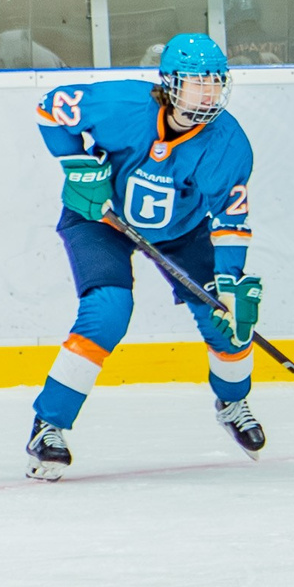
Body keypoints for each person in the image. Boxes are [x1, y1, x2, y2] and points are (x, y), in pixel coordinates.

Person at [25, 34, 264, 479]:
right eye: (197, 83)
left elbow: (230, 222)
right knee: (107, 311)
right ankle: (49, 426)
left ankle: (233, 402)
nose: (209, 93)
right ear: (171, 84)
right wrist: (76, 163)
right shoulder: (121, 103)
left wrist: (229, 281)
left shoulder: (228, 144)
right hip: (101, 218)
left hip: (182, 232)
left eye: (215, 83)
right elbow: (49, 108)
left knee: (226, 318)